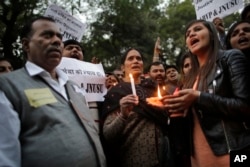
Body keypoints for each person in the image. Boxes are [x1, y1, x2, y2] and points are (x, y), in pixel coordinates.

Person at [0, 16, 106, 167]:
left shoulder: (75, 88)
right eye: (47, 35)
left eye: (59, 37)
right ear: (25, 44)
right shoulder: (8, 87)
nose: (57, 41)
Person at [161, 19, 250, 167]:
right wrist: (174, 109)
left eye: (197, 29)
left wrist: (198, 97)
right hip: (199, 159)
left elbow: (245, 106)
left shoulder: (230, 58)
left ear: (211, 34)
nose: (191, 34)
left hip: (233, 154)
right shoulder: (189, 79)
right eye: (188, 34)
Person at [101, 48, 173, 167]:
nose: (135, 61)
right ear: (123, 67)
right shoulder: (116, 92)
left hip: (164, 159)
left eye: (138, 59)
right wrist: (123, 115)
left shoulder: (153, 89)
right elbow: (108, 134)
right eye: (130, 58)